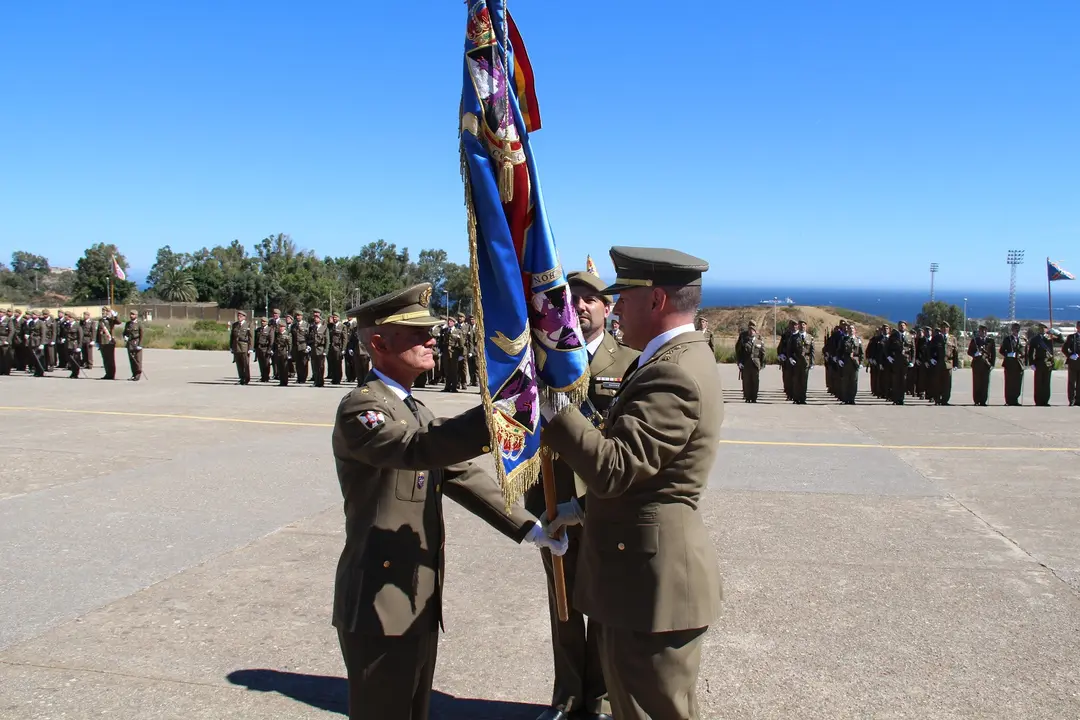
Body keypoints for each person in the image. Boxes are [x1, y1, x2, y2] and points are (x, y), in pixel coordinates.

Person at [332, 282, 567, 720]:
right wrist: (499, 412)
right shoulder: (363, 411)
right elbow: (417, 449)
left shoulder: (411, 407)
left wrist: (531, 527)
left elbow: (459, 473)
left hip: (417, 596)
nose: (432, 338)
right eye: (419, 333)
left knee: (414, 708)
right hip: (378, 603)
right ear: (380, 343)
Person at [542, 247, 723, 720]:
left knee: (649, 709)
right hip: (639, 575)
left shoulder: (673, 371)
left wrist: (557, 408)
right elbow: (645, 474)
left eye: (624, 297)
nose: (616, 307)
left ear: (657, 300)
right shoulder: (674, 358)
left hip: (650, 583)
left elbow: (615, 468)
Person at [524, 270, 638, 720]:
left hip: (603, 504)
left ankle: (603, 701)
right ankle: (568, 699)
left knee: (607, 607)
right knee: (564, 605)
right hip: (555, 496)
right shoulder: (542, 362)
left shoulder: (629, 362)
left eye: (592, 299)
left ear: (608, 309)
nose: (583, 307)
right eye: (574, 300)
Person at [735, 320, 765, 402]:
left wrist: (762, 364)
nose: (752, 329)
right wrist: (739, 362)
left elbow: (762, 352)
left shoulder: (758, 337)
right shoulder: (743, 336)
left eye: (754, 326)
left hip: (755, 363)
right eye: (750, 326)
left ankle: (754, 396)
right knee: (746, 380)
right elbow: (738, 350)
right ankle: (747, 396)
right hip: (746, 362)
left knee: (755, 381)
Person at [967, 325, 996, 406]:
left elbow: (993, 354)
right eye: (981, 331)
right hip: (976, 364)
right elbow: (969, 351)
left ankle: (983, 400)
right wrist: (975, 354)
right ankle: (976, 400)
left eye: (985, 331)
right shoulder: (975, 340)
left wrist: (992, 364)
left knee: (985, 383)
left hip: (986, 365)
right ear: (979, 332)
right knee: (977, 383)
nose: (983, 332)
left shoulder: (990, 341)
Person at [1027, 324, 1055, 406]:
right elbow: (1030, 352)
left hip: (1048, 363)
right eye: (1041, 328)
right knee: (1038, 383)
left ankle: (1045, 401)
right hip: (1039, 362)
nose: (1042, 330)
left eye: (1044, 328)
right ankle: (1038, 401)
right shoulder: (1035, 339)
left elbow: (1061, 340)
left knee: (1046, 383)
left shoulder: (1049, 338)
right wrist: (1031, 363)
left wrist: (1057, 333)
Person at [999, 323, 1026, 406]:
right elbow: (1001, 350)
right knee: (1009, 383)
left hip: (1019, 364)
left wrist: (1024, 359)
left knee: (1017, 383)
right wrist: (1008, 354)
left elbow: (1026, 351)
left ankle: (1015, 400)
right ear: (1012, 330)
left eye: (1018, 329)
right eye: (1015, 329)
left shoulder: (1022, 339)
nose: (1016, 331)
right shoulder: (1008, 339)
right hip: (1010, 364)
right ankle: (1008, 400)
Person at [230, 310, 252, 385]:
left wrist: (251, 348)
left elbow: (251, 337)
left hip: (244, 347)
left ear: (244, 317)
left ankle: (246, 378)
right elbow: (232, 337)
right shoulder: (235, 325)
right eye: (238, 316)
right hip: (236, 347)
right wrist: (231, 347)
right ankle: (241, 378)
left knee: (245, 364)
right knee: (239, 364)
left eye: (241, 316)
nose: (239, 317)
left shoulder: (248, 325)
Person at [123, 310, 143, 381]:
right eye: (131, 314)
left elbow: (141, 335)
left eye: (133, 314)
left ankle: (138, 375)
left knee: (137, 360)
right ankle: (134, 374)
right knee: (132, 360)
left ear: (136, 315)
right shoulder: (128, 323)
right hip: (130, 343)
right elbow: (125, 332)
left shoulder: (139, 324)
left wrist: (140, 344)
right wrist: (125, 336)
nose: (131, 316)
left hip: (136, 343)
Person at [1063, 322, 1080, 406]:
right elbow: (1064, 348)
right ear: (1077, 327)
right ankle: (1071, 400)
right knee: (1072, 382)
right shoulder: (1071, 337)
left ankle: (1078, 400)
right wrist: (1070, 355)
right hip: (1073, 363)